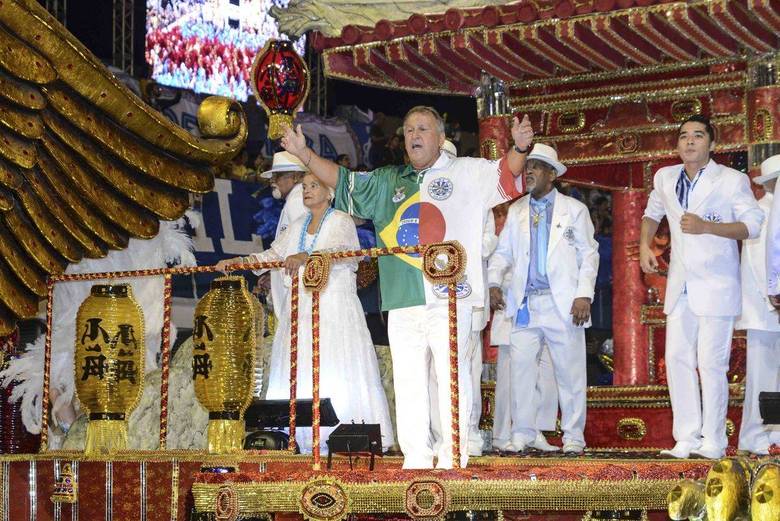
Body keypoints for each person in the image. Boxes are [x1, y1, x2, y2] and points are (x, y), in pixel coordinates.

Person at [279, 105, 533, 469]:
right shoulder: (387, 181)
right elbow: (342, 180)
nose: (414, 135)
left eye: (423, 129)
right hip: (402, 296)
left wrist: (520, 149)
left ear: (440, 138)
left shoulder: (465, 172)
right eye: (409, 129)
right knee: (409, 380)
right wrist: (304, 153)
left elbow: (506, 175)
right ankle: (415, 458)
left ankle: (451, 458)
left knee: (451, 378)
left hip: (450, 297)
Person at [216, 173, 395, 453]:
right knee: (298, 369)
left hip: (334, 309)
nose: (308, 191)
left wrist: (307, 257)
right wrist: (241, 262)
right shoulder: (298, 225)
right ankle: (296, 438)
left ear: (329, 193)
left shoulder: (341, 221)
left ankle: (341, 437)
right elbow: (274, 255)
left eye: (314, 186)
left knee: (335, 365)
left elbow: (340, 252)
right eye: (305, 187)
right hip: (301, 310)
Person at [640, 114, 763, 459]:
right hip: (680, 285)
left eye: (697, 135)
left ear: (711, 143)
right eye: (683, 136)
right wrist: (644, 247)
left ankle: (713, 441)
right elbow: (650, 214)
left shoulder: (731, 180)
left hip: (717, 285)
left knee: (711, 363)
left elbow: (752, 225)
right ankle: (686, 438)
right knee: (676, 358)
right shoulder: (665, 177)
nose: (689, 141)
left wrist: (709, 227)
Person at [488, 143, 598, 454]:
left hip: (562, 302)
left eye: (536, 166)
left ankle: (574, 436)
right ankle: (524, 433)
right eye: (528, 167)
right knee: (521, 371)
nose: (530, 171)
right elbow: (502, 253)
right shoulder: (517, 210)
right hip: (525, 303)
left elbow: (589, 255)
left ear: (552, 174)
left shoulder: (574, 210)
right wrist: (495, 282)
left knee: (569, 371)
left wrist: (583, 295)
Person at [739, 155, 780, 455]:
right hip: (766, 310)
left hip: (772, 308)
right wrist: (772, 296)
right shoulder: (762, 213)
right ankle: (754, 436)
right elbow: (756, 260)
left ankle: (774, 435)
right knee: (761, 376)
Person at [260, 151, 307, 322]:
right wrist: (272, 273)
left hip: (297, 287)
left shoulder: (297, 200)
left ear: (295, 177)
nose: (272, 181)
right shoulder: (295, 199)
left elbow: (303, 246)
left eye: (277, 176)